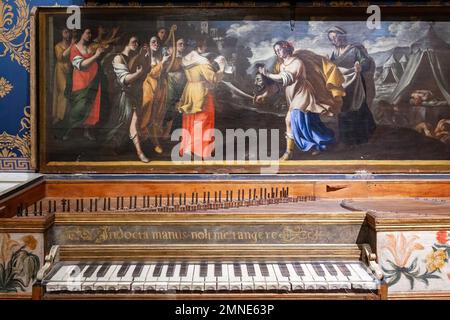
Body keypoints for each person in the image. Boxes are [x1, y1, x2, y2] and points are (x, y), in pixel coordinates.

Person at [255, 40, 345, 160]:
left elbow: (287, 78)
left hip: (303, 94)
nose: (278, 52)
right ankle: (323, 141)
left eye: (279, 49)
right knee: (309, 123)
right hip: (293, 97)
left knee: (290, 120)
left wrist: (268, 75)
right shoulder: (282, 65)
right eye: (276, 51)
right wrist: (264, 95)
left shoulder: (297, 62)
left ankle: (288, 152)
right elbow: (278, 86)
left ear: (286, 48)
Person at [327, 26, 376, 146]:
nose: (334, 40)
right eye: (331, 38)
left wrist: (360, 65)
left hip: (356, 84)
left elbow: (366, 62)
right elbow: (333, 67)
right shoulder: (334, 53)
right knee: (343, 109)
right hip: (342, 85)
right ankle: (346, 138)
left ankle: (363, 137)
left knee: (358, 108)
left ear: (342, 36)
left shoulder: (354, 50)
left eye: (335, 37)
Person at [177, 37, 224, 159]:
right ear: (201, 46)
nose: (206, 48)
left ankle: (187, 147)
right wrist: (222, 68)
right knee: (203, 120)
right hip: (202, 92)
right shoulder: (202, 60)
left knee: (190, 119)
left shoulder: (185, 59)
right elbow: (213, 79)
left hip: (190, 89)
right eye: (205, 46)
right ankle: (200, 150)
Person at [104, 35, 148, 162]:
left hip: (134, 94)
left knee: (133, 122)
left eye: (137, 42)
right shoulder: (119, 58)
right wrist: (138, 73)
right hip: (123, 95)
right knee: (124, 122)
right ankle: (139, 153)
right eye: (133, 41)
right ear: (126, 42)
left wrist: (145, 57)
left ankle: (138, 151)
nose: (136, 43)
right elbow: (125, 79)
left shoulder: (134, 57)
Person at [63, 27, 105, 141]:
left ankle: (87, 131)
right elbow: (81, 65)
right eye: (87, 33)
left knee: (92, 106)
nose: (89, 35)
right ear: (82, 34)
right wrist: (96, 55)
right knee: (79, 107)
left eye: (91, 33)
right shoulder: (75, 49)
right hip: (80, 81)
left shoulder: (91, 47)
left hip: (93, 80)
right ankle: (69, 131)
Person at [140, 36, 171, 154]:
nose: (156, 44)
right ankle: (145, 141)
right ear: (148, 44)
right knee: (146, 111)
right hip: (148, 87)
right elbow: (152, 73)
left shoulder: (160, 57)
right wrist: (162, 62)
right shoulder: (146, 57)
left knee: (157, 114)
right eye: (153, 42)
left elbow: (164, 71)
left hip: (160, 88)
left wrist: (164, 61)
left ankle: (154, 142)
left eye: (157, 42)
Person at [162, 37, 187, 139]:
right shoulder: (169, 59)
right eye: (180, 44)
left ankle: (182, 133)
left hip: (183, 87)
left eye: (183, 44)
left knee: (183, 109)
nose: (182, 46)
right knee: (170, 108)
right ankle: (166, 132)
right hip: (171, 86)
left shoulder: (186, 59)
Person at [52, 27, 74, 124]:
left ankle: (68, 115)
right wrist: (72, 46)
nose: (67, 34)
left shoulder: (71, 45)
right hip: (61, 69)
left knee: (70, 90)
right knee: (63, 90)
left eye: (68, 32)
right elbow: (61, 57)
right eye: (65, 32)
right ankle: (59, 116)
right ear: (61, 34)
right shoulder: (58, 46)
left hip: (70, 69)